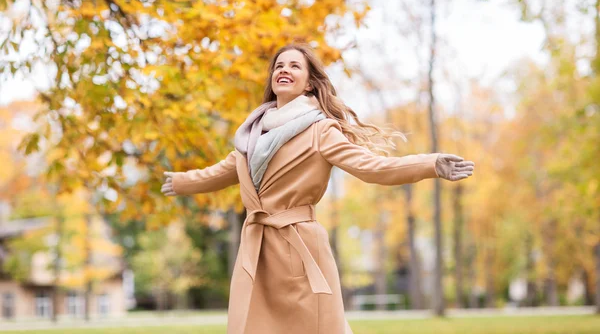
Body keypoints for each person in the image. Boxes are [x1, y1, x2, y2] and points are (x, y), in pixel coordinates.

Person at [161, 43, 475, 334]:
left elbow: (372, 167)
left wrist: (430, 164)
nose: (283, 70)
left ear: (310, 83)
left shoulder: (321, 130)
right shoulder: (250, 137)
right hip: (256, 250)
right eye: (279, 65)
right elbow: (220, 172)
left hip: (299, 247)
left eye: (294, 66)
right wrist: (179, 181)